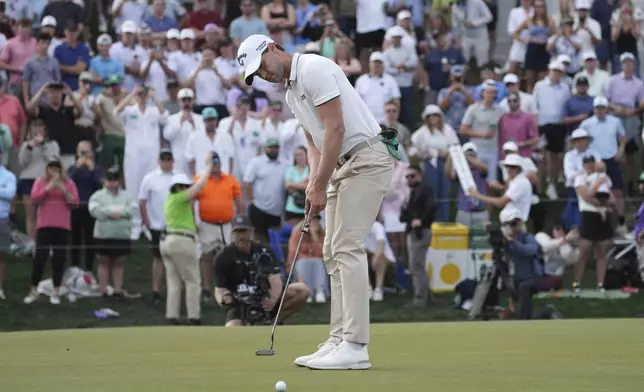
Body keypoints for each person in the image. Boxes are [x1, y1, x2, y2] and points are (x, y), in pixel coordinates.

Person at [238, 34, 395, 369]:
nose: (263, 74)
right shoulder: (292, 92)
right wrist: (313, 183)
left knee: (347, 247)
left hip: (366, 160)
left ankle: (355, 345)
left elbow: (335, 128)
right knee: (331, 250)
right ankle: (339, 338)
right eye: (256, 74)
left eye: (261, 65)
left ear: (273, 48)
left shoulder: (313, 68)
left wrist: (320, 185)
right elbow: (314, 142)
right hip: (340, 166)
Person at [213, 214, 309, 326]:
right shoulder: (223, 257)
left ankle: (273, 322)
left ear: (251, 232)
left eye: (244, 231)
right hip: (240, 303)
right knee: (232, 327)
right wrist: (223, 300)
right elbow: (219, 289)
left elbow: (275, 280)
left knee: (302, 290)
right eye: (237, 232)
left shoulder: (264, 251)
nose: (241, 236)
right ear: (232, 234)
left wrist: (272, 300)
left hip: (264, 298)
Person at [159, 163, 212, 325]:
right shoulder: (180, 197)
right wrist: (208, 166)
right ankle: (193, 316)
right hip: (181, 240)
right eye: (183, 186)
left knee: (174, 282)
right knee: (193, 280)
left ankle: (172, 315)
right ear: (177, 187)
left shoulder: (171, 200)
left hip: (167, 240)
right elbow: (200, 186)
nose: (186, 188)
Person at [24, 156, 79, 305]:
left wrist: (62, 188)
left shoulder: (69, 183)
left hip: (62, 227)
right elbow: (35, 199)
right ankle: (34, 291)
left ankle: (55, 292)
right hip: (44, 226)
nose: (54, 171)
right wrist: (48, 188)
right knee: (40, 259)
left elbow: (75, 203)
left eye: (57, 167)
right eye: (51, 167)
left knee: (59, 260)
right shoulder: (40, 182)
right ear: (47, 169)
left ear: (61, 169)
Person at [115, 85, 167, 239]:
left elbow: (164, 117)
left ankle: (149, 224)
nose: (142, 97)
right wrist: (131, 94)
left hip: (152, 155)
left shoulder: (154, 111)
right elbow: (116, 112)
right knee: (134, 188)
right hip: (133, 156)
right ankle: (136, 224)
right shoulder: (130, 111)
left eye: (144, 94)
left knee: (151, 188)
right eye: (140, 94)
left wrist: (154, 98)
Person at [194, 152, 243, 302]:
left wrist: (240, 220)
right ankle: (207, 288)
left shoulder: (230, 179)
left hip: (227, 224)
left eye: (216, 162)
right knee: (206, 256)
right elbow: (191, 200)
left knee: (229, 256)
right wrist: (193, 222)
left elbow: (239, 201)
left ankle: (229, 287)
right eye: (211, 162)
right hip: (207, 224)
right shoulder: (199, 180)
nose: (215, 165)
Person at [89, 167, 137, 297]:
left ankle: (117, 290)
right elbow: (94, 210)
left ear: (119, 181)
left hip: (122, 235)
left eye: (115, 179)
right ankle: (103, 290)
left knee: (119, 263)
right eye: (109, 179)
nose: (112, 182)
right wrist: (113, 213)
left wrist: (113, 212)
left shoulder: (127, 196)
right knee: (103, 263)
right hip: (103, 235)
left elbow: (132, 210)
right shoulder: (97, 196)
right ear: (105, 180)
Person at [139, 148, 175, 303]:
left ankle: (173, 290)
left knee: (174, 259)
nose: (166, 163)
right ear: (159, 161)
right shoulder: (149, 178)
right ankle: (156, 290)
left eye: (168, 159)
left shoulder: (179, 178)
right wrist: (147, 222)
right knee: (158, 258)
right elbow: (142, 201)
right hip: (157, 225)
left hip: (175, 225)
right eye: (163, 159)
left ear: (172, 161)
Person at [573, 155, 613, 294]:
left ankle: (600, 283)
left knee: (601, 251)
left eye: (591, 163)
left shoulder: (602, 178)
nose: (589, 165)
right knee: (584, 250)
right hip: (588, 214)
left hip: (602, 216)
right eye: (587, 163)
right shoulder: (580, 178)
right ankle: (575, 282)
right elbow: (587, 196)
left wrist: (606, 205)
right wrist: (597, 186)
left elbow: (611, 198)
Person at [17, 120, 59, 251]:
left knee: (46, 214)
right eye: (35, 131)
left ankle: (47, 244)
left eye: (40, 130)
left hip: (45, 180)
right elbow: (22, 163)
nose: (38, 133)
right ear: (30, 132)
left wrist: (43, 147)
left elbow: (54, 161)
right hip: (28, 180)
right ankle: (31, 243)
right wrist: (31, 146)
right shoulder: (26, 145)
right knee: (31, 214)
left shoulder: (52, 145)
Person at [400, 164, 435, 308]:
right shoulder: (412, 192)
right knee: (418, 265)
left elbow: (432, 206)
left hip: (421, 232)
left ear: (420, 175)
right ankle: (428, 299)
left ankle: (420, 300)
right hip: (414, 231)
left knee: (416, 266)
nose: (409, 179)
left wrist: (421, 220)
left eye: (412, 176)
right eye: (407, 177)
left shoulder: (424, 190)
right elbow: (404, 215)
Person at [499, 208, 544, 320]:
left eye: (515, 223)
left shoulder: (528, 237)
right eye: (511, 224)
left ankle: (524, 319)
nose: (514, 226)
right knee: (515, 288)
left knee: (524, 287)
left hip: (533, 277)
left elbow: (530, 251)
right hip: (517, 278)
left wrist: (513, 242)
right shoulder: (509, 239)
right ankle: (534, 316)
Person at [67, 141, 102, 272]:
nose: (84, 155)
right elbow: (69, 183)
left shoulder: (96, 169)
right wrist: (77, 168)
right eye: (82, 152)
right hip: (75, 208)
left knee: (90, 241)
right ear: (77, 153)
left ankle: (88, 268)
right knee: (75, 240)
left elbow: (99, 185)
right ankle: (74, 267)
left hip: (91, 209)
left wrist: (92, 170)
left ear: (92, 153)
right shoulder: (72, 169)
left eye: (87, 152)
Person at [287, 215, 327, 303]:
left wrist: (314, 236)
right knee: (304, 262)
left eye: (317, 220)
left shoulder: (321, 232)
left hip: (317, 260)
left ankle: (319, 292)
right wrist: (309, 254)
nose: (315, 223)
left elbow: (323, 252)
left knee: (318, 262)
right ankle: (306, 292)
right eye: (313, 220)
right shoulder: (298, 231)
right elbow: (295, 251)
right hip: (298, 261)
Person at [0, 144, 16, 300]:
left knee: (1, 255)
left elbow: (10, 194)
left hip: (2, 219)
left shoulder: (8, 176)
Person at [284, 146, 309, 226]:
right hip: (292, 208)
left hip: (308, 208)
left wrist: (294, 185)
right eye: (296, 155)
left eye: (300, 154)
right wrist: (304, 183)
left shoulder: (311, 170)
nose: (298, 157)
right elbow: (288, 186)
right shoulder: (290, 170)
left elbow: (311, 187)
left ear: (307, 155)